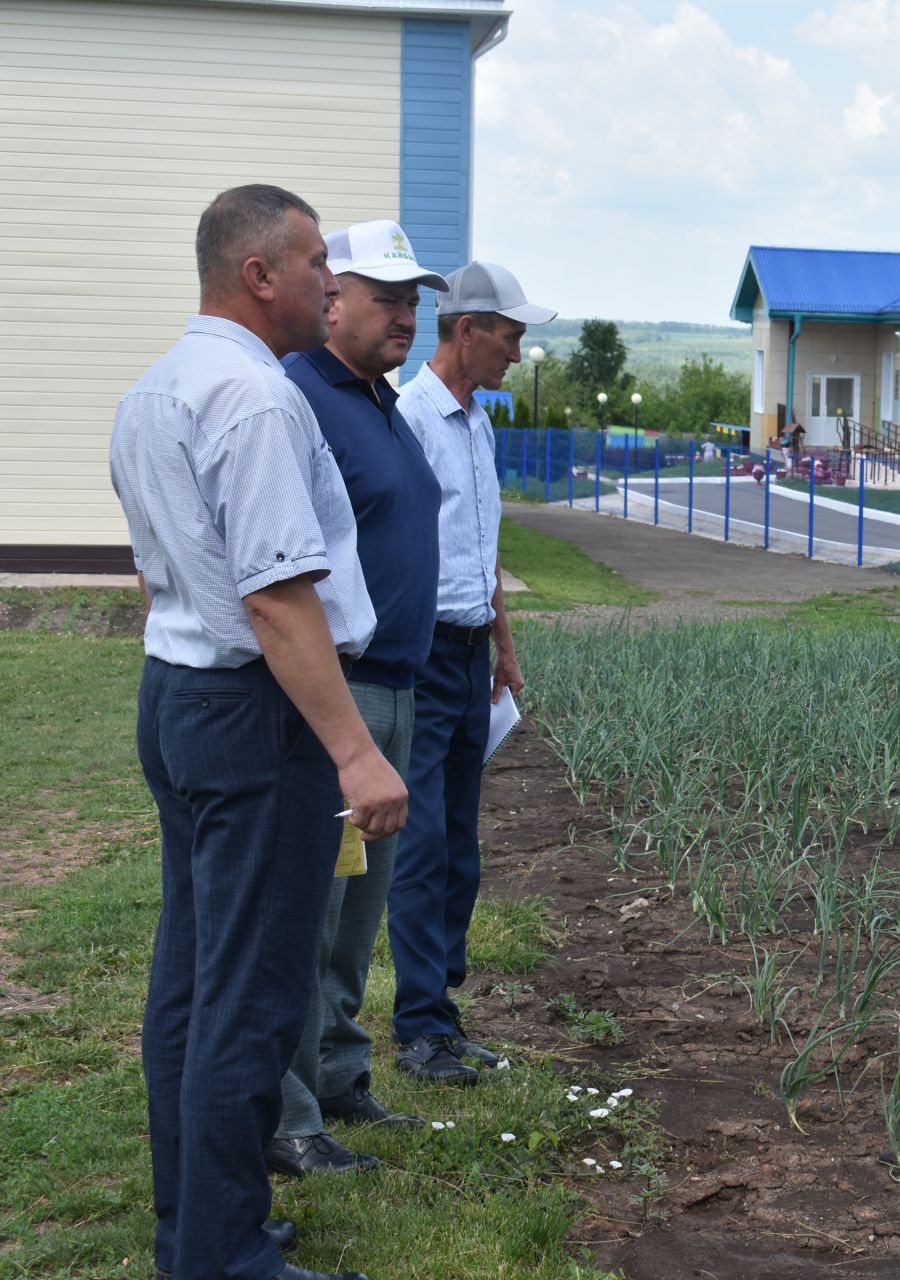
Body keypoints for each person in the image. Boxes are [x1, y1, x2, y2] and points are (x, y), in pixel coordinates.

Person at [109, 184, 404, 1280]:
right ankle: (224, 1253)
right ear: (259, 275)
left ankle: (195, 1229)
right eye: (317, 259)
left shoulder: (155, 388)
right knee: (251, 990)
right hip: (253, 713)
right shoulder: (258, 400)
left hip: (178, 694)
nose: (334, 280)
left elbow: (160, 570)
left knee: (190, 981)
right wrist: (355, 748)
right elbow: (280, 599)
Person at [269, 220, 449, 1176]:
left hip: (399, 689)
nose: (405, 316)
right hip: (342, 697)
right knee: (314, 910)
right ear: (329, 298)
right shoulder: (300, 399)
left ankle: (338, 1077)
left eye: (414, 299)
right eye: (386, 297)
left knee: (356, 917)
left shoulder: (377, 402)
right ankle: (289, 1113)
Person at [389, 262, 550, 1084]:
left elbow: (482, 554)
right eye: (512, 335)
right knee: (418, 846)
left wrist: (505, 645)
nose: (518, 353)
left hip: (470, 655)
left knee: (459, 846)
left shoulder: (477, 426)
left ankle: (439, 1012)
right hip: (419, 655)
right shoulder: (410, 420)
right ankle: (418, 1027)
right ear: (468, 330)